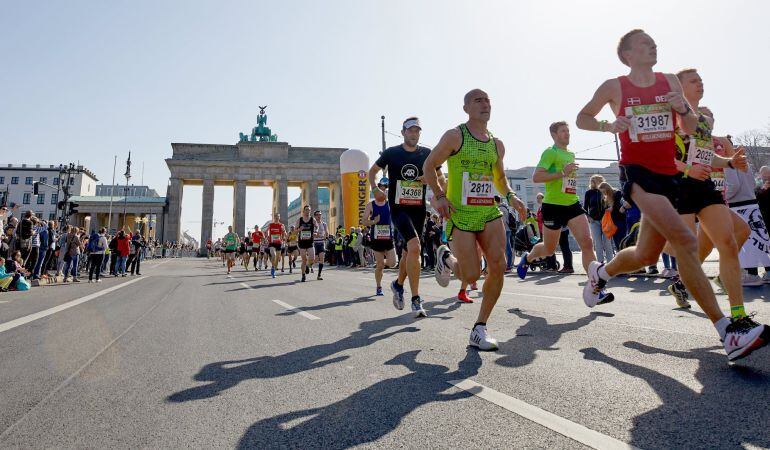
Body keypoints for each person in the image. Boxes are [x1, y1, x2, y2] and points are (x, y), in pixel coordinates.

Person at [576, 29, 767, 361]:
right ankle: (728, 331)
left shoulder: (669, 82)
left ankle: (601, 273)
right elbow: (583, 118)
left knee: (647, 256)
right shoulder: (615, 86)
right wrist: (609, 126)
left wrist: (684, 109)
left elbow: (693, 129)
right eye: (644, 44)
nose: (653, 46)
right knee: (685, 240)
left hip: (670, 177)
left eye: (654, 43)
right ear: (627, 55)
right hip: (638, 174)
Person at [425, 88, 526, 350]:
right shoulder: (455, 136)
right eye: (478, 100)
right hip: (460, 213)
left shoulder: (496, 144)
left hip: (489, 211)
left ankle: (479, 327)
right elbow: (429, 166)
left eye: (488, 100)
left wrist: (512, 197)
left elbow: (500, 179)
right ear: (466, 108)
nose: (485, 104)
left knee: (498, 264)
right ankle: (446, 258)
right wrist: (439, 195)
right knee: (470, 276)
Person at [516, 122, 611, 303]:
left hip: (572, 203)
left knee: (587, 243)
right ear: (554, 134)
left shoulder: (570, 154)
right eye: (563, 131)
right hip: (553, 206)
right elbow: (536, 177)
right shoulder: (550, 152)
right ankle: (527, 259)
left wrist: (567, 174)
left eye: (568, 131)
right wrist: (562, 172)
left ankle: (595, 288)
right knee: (549, 249)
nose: (567, 134)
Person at [369, 116, 445, 318]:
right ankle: (416, 299)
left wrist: (433, 184)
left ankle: (398, 284)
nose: (414, 134)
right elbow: (372, 172)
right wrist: (375, 189)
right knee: (415, 248)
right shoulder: (392, 153)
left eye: (417, 130)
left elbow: (441, 178)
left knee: (407, 254)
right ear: (403, 132)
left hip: (418, 209)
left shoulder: (427, 155)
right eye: (410, 130)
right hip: (398, 209)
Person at [362, 178, 397, 296]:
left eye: (385, 190)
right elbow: (363, 221)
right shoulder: (370, 205)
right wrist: (373, 222)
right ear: (376, 192)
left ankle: (381, 262)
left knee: (392, 263)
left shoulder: (390, 203)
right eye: (380, 190)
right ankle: (378, 286)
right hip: (376, 239)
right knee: (380, 265)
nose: (383, 192)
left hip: (388, 237)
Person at [598, 181, 626, 252]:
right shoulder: (606, 198)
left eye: (604, 191)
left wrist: (612, 208)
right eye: (602, 192)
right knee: (616, 240)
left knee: (622, 239)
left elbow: (620, 206)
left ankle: (624, 255)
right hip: (612, 222)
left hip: (620, 220)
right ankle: (619, 255)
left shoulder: (617, 193)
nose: (604, 193)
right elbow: (603, 208)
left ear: (607, 189)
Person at [296, 205, 316, 282]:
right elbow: (295, 231)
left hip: (310, 241)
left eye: (309, 210)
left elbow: (316, 227)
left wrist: (315, 231)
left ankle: (308, 266)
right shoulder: (299, 220)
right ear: (303, 211)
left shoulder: (312, 219)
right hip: (302, 243)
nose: (308, 211)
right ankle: (303, 275)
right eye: (306, 210)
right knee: (304, 260)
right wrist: (299, 229)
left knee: (312, 258)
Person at [267, 213, 286, 278]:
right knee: (273, 255)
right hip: (272, 243)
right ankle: (272, 267)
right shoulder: (270, 224)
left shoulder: (281, 225)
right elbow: (266, 231)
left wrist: (284, 234)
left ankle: (274, 268)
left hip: (279, 243)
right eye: (275, 216)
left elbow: (284, 233)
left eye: (278, 216)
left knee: (277, 259)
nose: (277, 218)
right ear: (274, 217)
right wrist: (267, 236)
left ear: (279, 217)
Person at [312, 210, 327, 280]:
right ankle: (308, 266)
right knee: (315, 260)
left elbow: (327, 232)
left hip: (321, 243)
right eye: (317, 214)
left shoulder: (324, 224)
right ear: (314, 216)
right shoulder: (313, 225)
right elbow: (312, 235)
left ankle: (319, 275)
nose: (319, 216)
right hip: (314, 243)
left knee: (322, 258)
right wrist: (316, 235)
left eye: (320, 214)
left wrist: (326, 235)